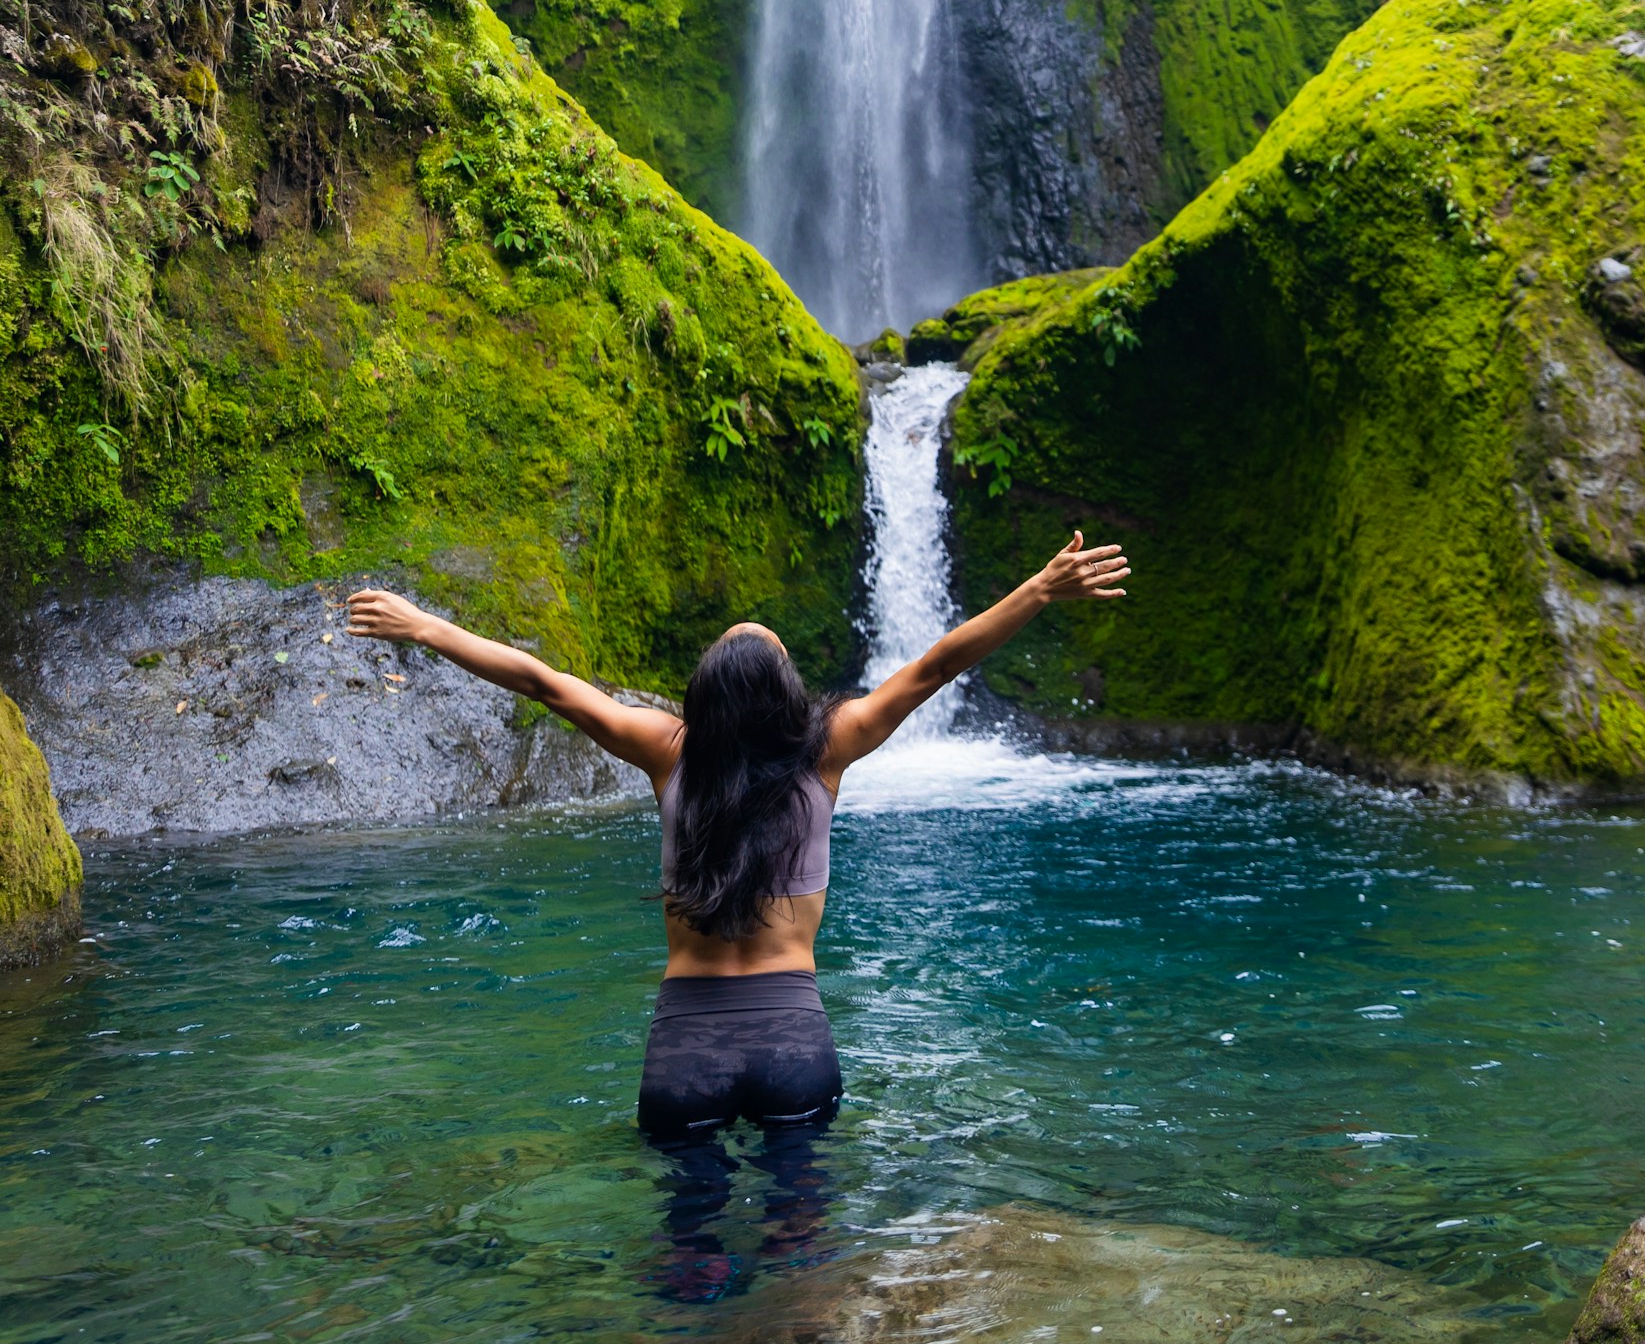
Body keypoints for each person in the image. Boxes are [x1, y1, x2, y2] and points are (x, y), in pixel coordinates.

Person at [346, 529, 1127, 1291]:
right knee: (800, 1240)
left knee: (688, 1239)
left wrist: (425, 625)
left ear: (706, 694)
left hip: (686, 1052)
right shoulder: (829, 749)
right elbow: (936, 665)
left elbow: (542, 682)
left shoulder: (665, 748)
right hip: (794, 1043)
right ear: (786, 692)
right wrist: (1040, 589)